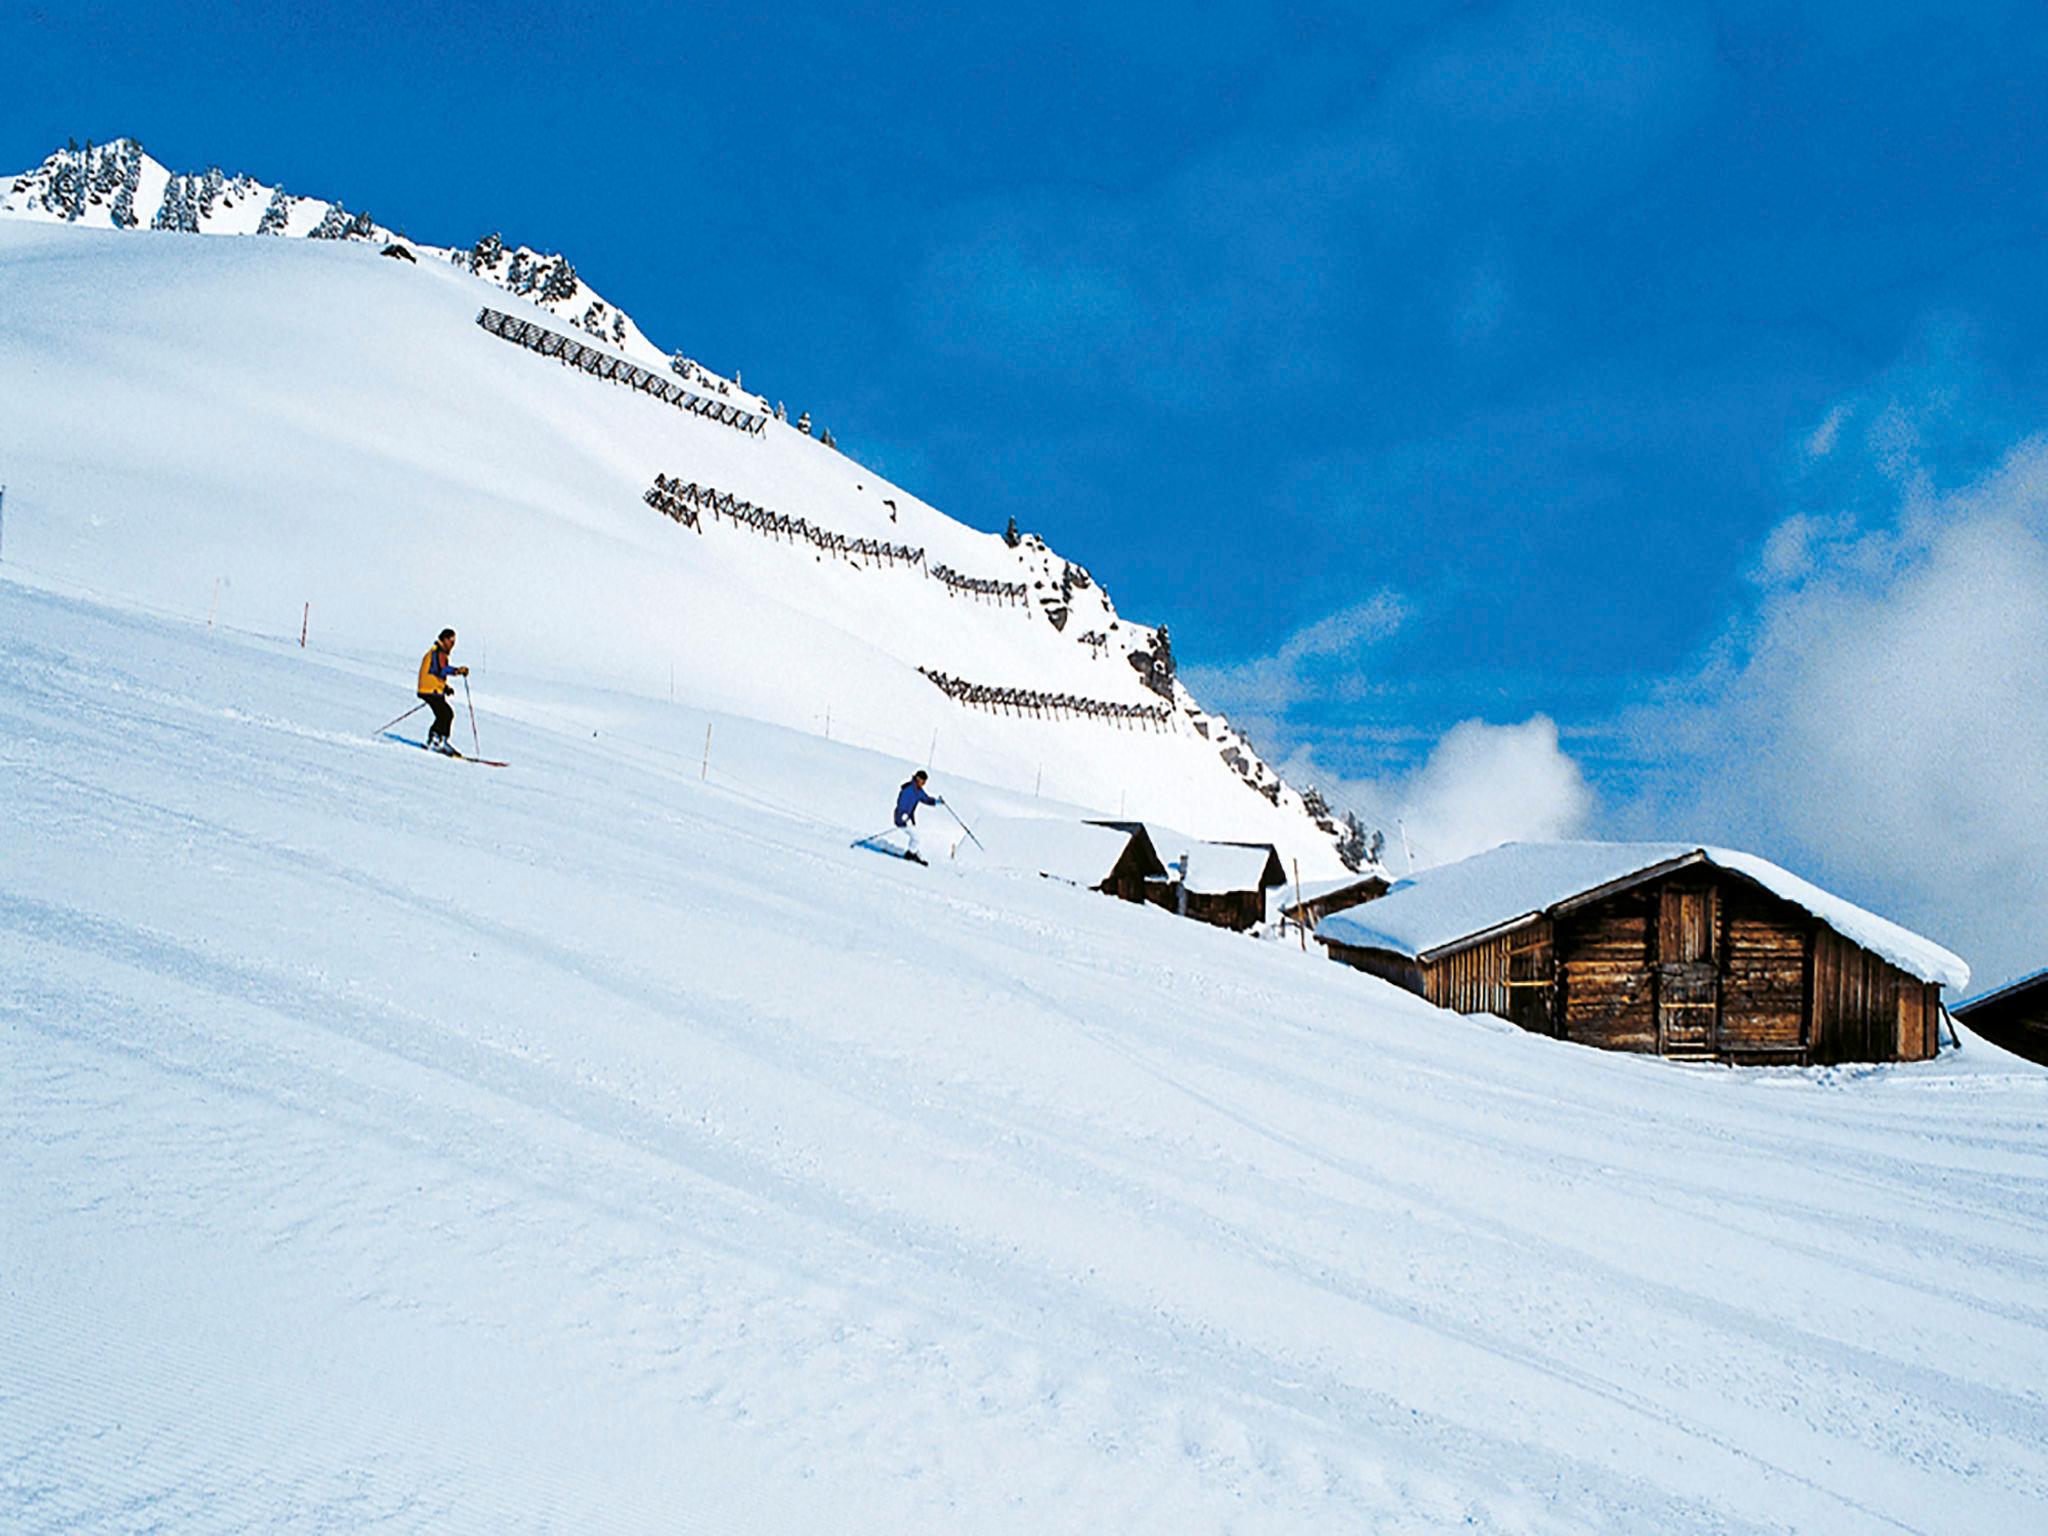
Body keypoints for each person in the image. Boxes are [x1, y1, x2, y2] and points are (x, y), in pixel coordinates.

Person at [416, 628, 470, 754]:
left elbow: (435, 673)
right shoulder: (439, 652)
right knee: (445, 714)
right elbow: (442, 669)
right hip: (430, 690)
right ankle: (437, 740)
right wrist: (458, 671)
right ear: (444, 640)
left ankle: (437, 739)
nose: (452, 645)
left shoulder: (436, 652)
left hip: (430, 688)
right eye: (451, 641)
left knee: (444, 714)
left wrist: (445, 688)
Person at [894, 769, 939, 864]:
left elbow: (925, 798)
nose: (923, 784)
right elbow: (901, 803)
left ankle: (912, 852)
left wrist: (936, 801)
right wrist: (903, 815)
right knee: (916, 837)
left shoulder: (917, 790)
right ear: (918, 779)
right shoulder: (909, 789)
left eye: (925, 782)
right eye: (923, 782)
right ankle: (911, 853)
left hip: (908, 819)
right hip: (901, 818)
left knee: (916, 836)